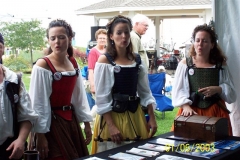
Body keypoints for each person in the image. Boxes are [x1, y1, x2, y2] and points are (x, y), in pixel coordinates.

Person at [91, 15, 157, 154]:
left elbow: (145, 92)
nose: (124, 36)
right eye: (119, 33)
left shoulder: (136, 59)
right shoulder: (105, 61)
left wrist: (151, 116)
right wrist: (111, 126)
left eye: (126, 32)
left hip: (134, 115)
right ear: (111, 36)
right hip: (112, 117)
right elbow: (102, 97)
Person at [29, 19, 93, 160]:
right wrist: (40, 135)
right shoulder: (43, 65)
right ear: (49, 41)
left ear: (70, 39)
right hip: (50, 125)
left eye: (61, 37)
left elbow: (79, 96)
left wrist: (87, 123)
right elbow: (38, 103)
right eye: (53, 38)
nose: (57, 42)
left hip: (70, 122)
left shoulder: (73, 62)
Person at [171, 24, 236, 135]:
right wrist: (185, 106)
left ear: (212, 45)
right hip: (191, 111)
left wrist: (219, 89)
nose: (200, 44)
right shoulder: (185, 64)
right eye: (197, 40)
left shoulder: (220, 65)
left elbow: (232, 94)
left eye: (205, 41)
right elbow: (178, 90)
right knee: (188, 146)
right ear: (194, 43)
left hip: (216, 111)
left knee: (217, 146)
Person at [0, 33, 38, 159]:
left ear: (3, 49)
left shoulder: (13, 80)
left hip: (8, 149)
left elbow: (26, 115)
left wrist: (21, 140)